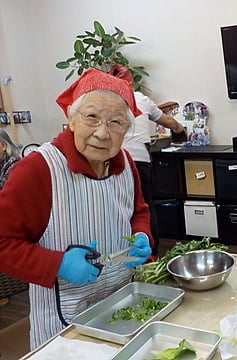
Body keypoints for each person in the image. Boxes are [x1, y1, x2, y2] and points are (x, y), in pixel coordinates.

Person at [0, 68, 153, 350]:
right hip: (66, 328)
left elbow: (138, 212)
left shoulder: (126, 164)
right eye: (92, 117)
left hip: (124, 310)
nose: (102, 133)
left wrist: (141, 235)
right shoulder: (37, 170)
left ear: (127, 130)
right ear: (71, 119)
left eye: (116, 122)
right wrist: (57, 264)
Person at [108, 64, 186, 256]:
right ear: (131, 81)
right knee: (146, 205)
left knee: (117, 206)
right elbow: (168, 121)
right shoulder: (141, 98)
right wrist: (180, 130)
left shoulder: (107, 100)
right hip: (139, 160)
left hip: (111, 161)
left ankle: (122, 250)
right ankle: (152, 251)